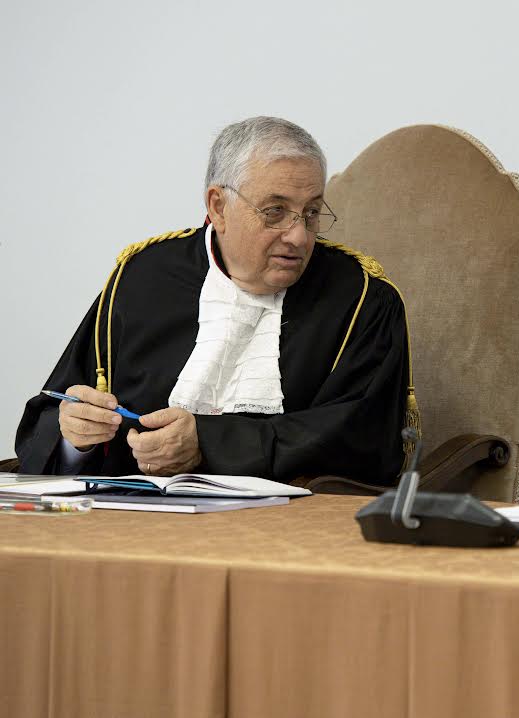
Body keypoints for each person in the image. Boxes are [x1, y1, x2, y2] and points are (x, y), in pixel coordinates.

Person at [16, 116, 417, 485]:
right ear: (218, 206)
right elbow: (53, 415)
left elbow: (364, 440)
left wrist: (208, 444)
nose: (299, 236)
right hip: (131, 519)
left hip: (288, 525)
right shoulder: (142, 277)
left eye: (311, 213)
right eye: (275, 211)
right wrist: (76, 438)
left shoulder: (363, 299)